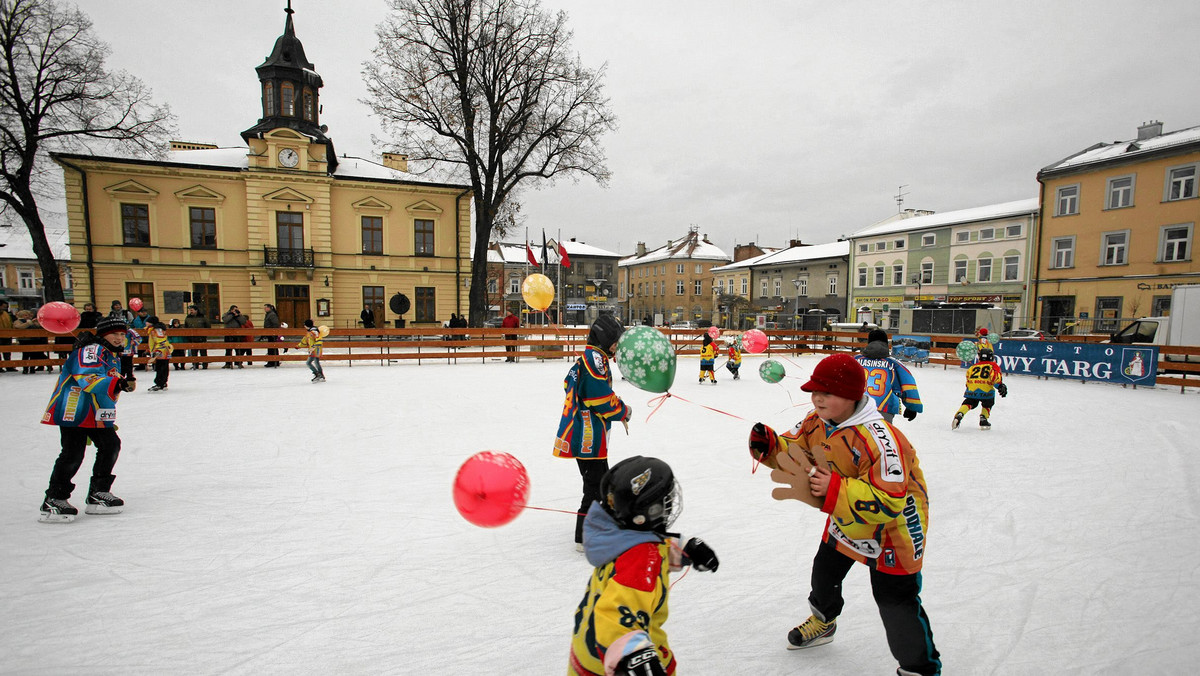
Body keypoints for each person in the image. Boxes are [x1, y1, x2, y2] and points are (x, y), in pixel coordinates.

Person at [749, 352, 940, 675]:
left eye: (828, 393)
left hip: (895, 528)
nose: (818, 398)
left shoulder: (881, 440)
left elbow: (890, 499)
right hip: (847, 512)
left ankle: (919, 668)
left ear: (852, 396)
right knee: (824, 572)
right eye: (814, 391)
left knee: (895, 602)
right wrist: (771, 447)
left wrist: (835, 489)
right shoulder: (816, 421)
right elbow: (795, 447)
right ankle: (824, 621)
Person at [567, 456, 719, 676]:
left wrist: (685, 549)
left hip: (586, 655)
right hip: (617, 662)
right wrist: (633, 655)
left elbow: (647, 553)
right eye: (667, 499)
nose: (671, 502)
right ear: (648, 512)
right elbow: (615, 612)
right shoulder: (641, 558)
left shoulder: (615, 537)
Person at [38, 316, 136, 522]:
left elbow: (107, 377)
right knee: (73, 453)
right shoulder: (92, 350)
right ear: (103, 334)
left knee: (111, 445)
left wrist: (122, 381)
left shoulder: (109, 353)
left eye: (122, 334)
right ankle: (54, 497)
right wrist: (117, 384)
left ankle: (98, 492)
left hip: (96, 411)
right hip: (75, 409)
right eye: (114, 334)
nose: (119, 338)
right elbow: (87, 378)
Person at [554, 315, 631, 551]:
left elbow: (574, 386)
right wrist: (623, 410)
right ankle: (585, 536)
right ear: (605, 338)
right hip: (589, 434)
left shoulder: (588, 357)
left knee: (600, 482)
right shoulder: (594, 358)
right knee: (595, 486)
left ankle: (599, 528)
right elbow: (598, 397)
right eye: (616, 341)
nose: (618, 346)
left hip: (585, 431)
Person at [855, 329, 923, 423]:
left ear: (869, 343)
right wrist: (912, 406)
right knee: (881, 436)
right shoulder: (894, 364)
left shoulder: (855, 360)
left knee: (855, 436)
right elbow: (908, 384)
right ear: (886, 344)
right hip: (884, 409)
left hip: (857, 408)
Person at [953, 347, 1006, 430]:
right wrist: (1000, 386)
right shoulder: (993, 366)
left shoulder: (972, 367)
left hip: (972, 390)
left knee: (969, 402)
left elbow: (968, 379)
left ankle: (960, 413)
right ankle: (983, 418)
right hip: (986, 391)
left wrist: (970, 389)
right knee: (988, 402)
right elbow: (994, 378)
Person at [145, 316, 171, 391]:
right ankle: (162, 382)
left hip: (161, 350)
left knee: (161, 367)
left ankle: (160, 383)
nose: (146, 323)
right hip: (162, 350)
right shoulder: (154, 329)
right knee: (163, 366)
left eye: (147, 321)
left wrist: (157, 350)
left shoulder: (156, 330)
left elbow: (160, 340)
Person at [184, 305, 210, 370]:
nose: (191, 311)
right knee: (194, 352)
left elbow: (208, 326)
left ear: (196, 310)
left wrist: (204, 334)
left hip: (201, 337)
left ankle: (204, 365)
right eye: (190, 310)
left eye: (192, 310)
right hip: (192, 337)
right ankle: (195, 364)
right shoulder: (188, 317)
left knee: (203, 352)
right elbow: (186, 327)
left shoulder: (202, 317)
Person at [0, 299, 15, 371]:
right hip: (1, 335)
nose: (4, 308)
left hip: (7, 335)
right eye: (3, 307)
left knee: (7, 352)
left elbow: (10, 323)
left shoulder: (6, 314)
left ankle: (9, 366)